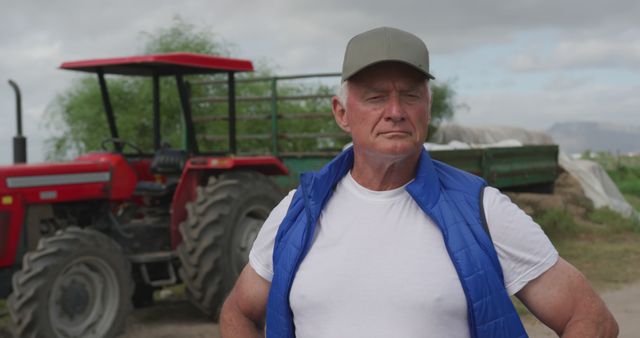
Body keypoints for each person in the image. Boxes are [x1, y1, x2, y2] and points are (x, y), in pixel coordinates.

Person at [220, 26, 618, 338]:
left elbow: (592, 320)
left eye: (410, 95)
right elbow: (238, 311)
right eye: (376, 97)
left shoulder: (481, 209)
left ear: (428, 108)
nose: (395, 111)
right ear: (342, 112)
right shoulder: (298, 211)